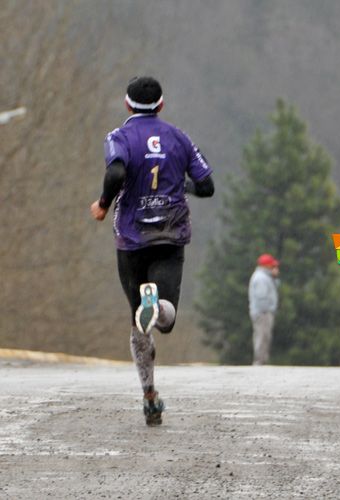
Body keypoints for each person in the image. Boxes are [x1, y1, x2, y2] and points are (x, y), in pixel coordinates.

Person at [90, 76, 214, 426]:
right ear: (161, 105)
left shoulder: (119, 137)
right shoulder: (179, 138)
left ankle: (149, 396)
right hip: (170, 233)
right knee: (167, 316)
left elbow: (115, 172)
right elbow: (207, 185)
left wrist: (102, 204)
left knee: (137, 325)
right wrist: (180, 186)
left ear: (127, 105)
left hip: (131, 237)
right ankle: (156, 305)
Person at [248, 253, 280, 365]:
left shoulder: (266, 277)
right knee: (262, 336)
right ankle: (259, 361)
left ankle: (262, 360)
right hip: (262, 312)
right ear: (266, 266)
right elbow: (262, 298)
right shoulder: (261, 278)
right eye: (272, 266)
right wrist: (266, 310)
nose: (274, 268)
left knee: (265, 336)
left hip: (264, 312)